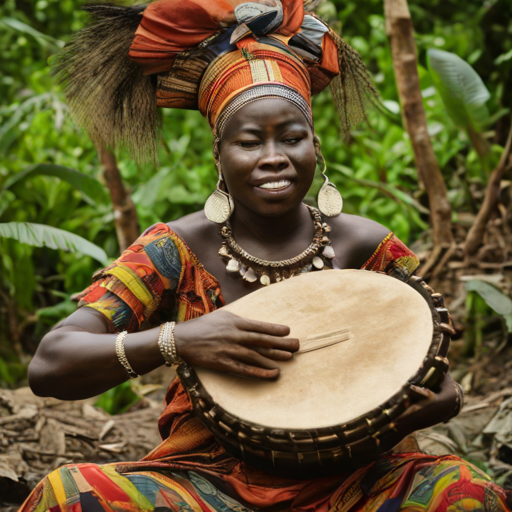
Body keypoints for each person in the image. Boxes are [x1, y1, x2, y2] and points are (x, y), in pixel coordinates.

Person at [20, 1, 511, 511]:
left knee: (466, 492)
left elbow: (442, 383)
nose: (273, 156)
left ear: (314, 147)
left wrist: (415, 408)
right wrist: (178, 339)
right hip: (211, 486)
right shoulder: (172, 251)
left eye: (292, 138)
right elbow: (52, 363)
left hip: (360, 483)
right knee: (69, 494)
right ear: (220, 153)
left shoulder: (368, 247)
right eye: (249, 141)